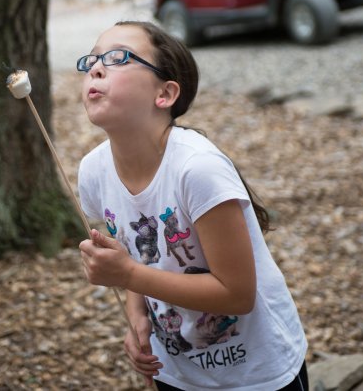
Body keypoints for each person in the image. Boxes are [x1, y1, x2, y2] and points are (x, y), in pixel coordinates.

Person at [77, 21, 308, 390]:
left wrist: (127, 277)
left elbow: (238, 294)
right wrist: (136, 314)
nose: (96, 67)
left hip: (258, 375)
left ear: (164, 94)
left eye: (117, 57)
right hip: (178, 373)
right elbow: (137, 254)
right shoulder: (93, 173)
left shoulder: (197, 168)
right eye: (91, 60)